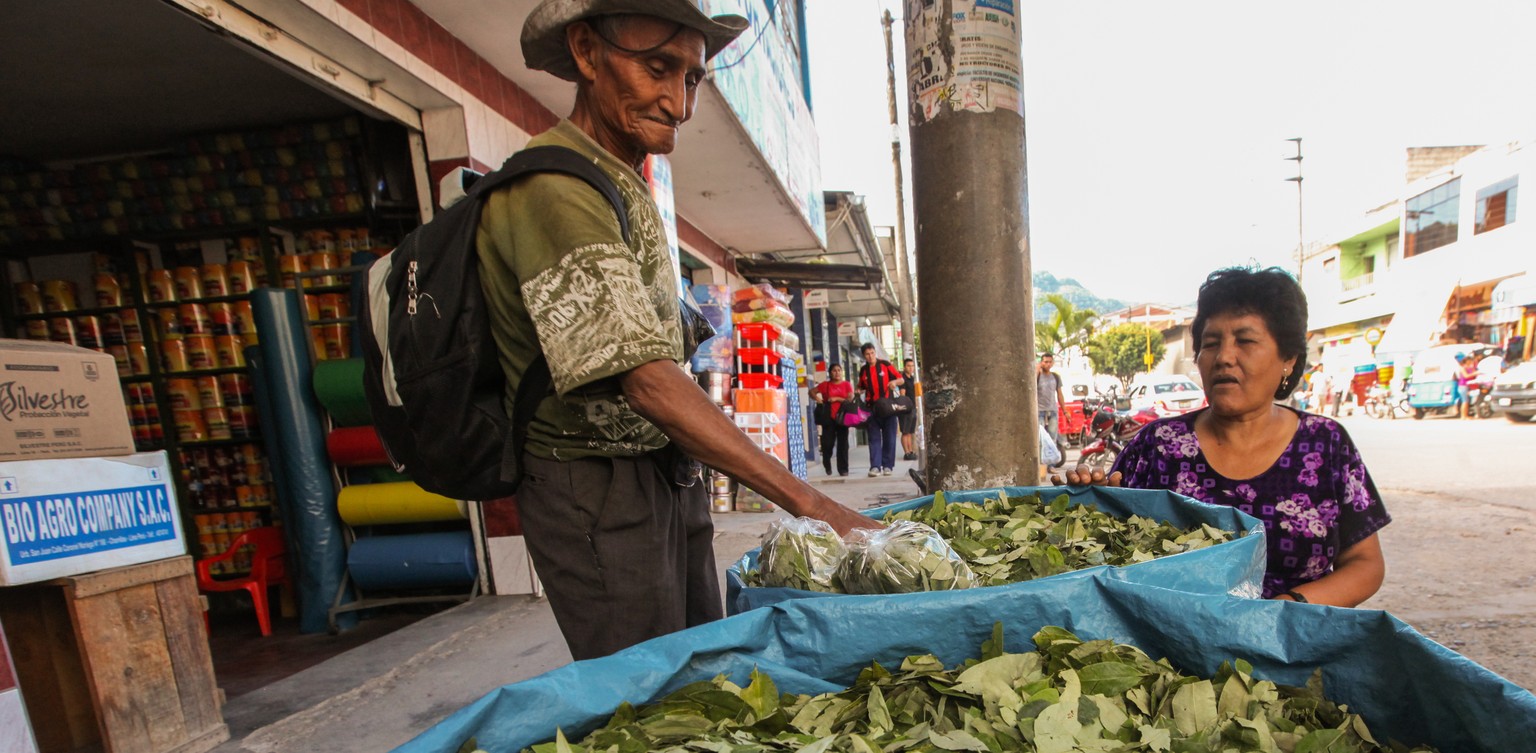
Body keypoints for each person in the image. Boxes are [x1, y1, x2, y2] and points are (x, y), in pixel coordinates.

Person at [480, 0, 875, 660]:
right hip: (595, 486)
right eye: (658, 67)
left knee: (699, 671)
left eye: (691, 77)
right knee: (648, 693)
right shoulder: (556, 188)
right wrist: (811, 503)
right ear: (586, 51)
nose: (679, 102)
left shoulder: (616, 178)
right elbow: (649, 383)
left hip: (661, 472)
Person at [1054, 267, 1390, 607]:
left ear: (1288, 358)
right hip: (1174, 647)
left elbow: (1365, 563)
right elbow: (1111, 549)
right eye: (1211, 344)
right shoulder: (1158, 445)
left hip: (1294, 643)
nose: (1224, 357)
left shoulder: (1326, 444)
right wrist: (1080, 508)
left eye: (1245, 341)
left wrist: (1282, 611)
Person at [856, 343, 905, 476]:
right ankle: (875, 466)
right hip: (871, 409)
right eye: (867, 354)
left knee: (889, 437)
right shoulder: (863, 370)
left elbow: (901, 379)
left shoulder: (885, 365)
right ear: (863, 356)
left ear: (875, 352)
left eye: (872, 353)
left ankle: (888, 465)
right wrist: (857, 391)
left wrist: (894, 382)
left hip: (888, 407)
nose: (870, 356)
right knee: (874, 438)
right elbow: (861, 386)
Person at [811, 364, 853, 476]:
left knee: (843, 445)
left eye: (839, 370)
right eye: (834, 370)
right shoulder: (825, 385)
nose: (837, 372)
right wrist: (818, 399)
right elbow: (812, 391)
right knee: (827, 444)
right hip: (828, 419)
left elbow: (850, 398)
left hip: (843, 418)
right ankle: (826, 462)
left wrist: (837, 399)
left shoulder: (846, 385)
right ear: (830, 373)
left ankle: (843, 469)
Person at [1036, 352, 1065, 469]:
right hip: (1040, 411)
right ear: (1041, 362)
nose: (1048, 364)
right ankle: (1040, 466)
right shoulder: (1038, 375)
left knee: (1053, 438)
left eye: (1050, 362)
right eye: (1045, 362)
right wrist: (1037, 369)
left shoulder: (1055, 377)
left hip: (1053, 410)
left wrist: (1065, 411)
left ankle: (1051, 466)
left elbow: (1060, 394)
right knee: (1040, 439)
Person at [899, 358, 920, 460]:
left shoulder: (912, 378)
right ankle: (906, 452)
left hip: (913, 408)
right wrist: (907, 406)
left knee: (910, 431)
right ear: (904, 367)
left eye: (912, 366)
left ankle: (911, 451)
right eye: (909, 366)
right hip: (905, 408)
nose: (911, 368)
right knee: (905, 431)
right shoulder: (902, 379)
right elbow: (902, 394)